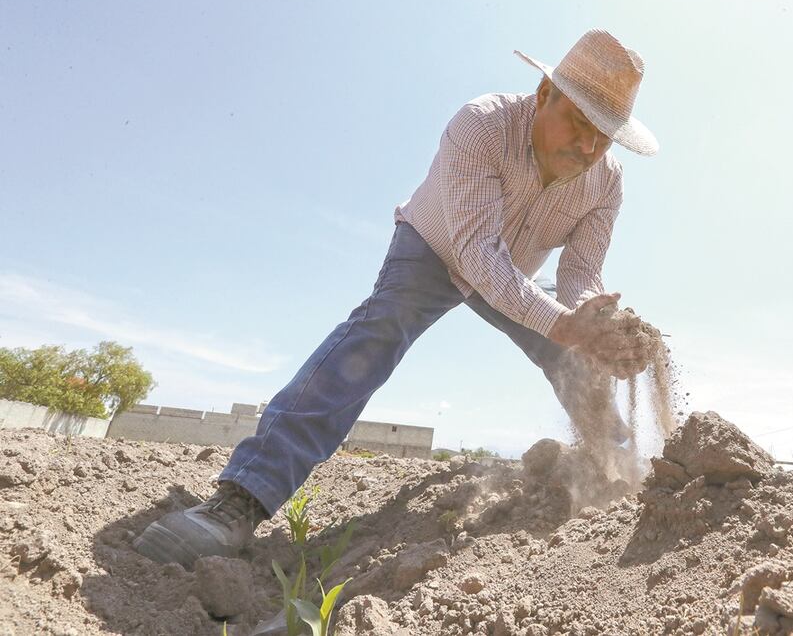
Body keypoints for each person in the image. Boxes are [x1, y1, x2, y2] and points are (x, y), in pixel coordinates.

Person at [133, 29, 659, 568]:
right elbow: (476, 252)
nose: (588, 148)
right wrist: (564, 324)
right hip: (435, 245)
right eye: (578, 123)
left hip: (516, 274)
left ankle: (623, 477)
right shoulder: (483, 124)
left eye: (604, 137)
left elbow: (580, 273)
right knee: (379, 332)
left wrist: (595, 323)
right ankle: (242, 498)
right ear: (545, 93)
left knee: (575, 354)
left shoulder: (606, 183)